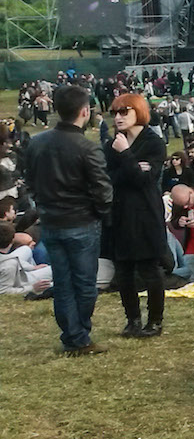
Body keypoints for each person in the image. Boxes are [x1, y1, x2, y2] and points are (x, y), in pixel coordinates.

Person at [23, 84, 113, 355]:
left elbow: (31, 181)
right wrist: (100, 212)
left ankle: (72, 335)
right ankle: (79, 336)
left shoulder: (37, 142)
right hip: (81, 222)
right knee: (85, 283)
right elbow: (103, 190)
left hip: (51, 221)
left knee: (63, 282)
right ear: (84, 111)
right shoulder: (88, 148)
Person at [104, 92, 168, 338]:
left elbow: (145, 180)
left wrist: (126, 156)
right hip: (120, 214)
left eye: (124, 112)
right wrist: (131, 164)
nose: (118, 118)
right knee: (123, 271)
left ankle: (155, 320)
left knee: (149, 269)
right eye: (116, 113)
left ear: (138, 112)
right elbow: (111, 179)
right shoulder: (114, 143)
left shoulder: (153, 142)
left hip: (145, 214)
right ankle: (132, 319)